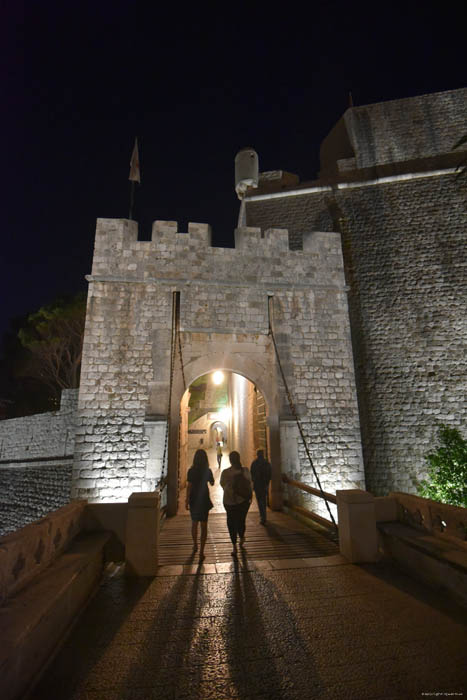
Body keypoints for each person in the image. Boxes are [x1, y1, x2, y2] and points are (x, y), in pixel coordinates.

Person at [220, 450, 252, 556]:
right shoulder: (246, 471)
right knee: (241, 520)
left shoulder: (225, 473)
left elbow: (222, 485)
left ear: (230, 460)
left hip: (229, 502)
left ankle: (234, 546)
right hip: (243, 502)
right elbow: (249, 482)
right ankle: (242, 537)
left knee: (231, 522)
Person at [185, 449, 214, 561]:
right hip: (204, 499)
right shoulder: (207, 470)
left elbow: (189, 486)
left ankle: (195, 545)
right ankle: (201, 552)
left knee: (194, 523)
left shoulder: (191, 471)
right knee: (204, 525)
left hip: (194, 499)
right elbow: (212, 483)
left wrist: (186, 500)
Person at [250, 449, 272, 525]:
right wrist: (267, 483)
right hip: (264, 485)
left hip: (257, 485)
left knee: (259, 501)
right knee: (264, 500)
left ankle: (262, 516)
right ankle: (264, 516)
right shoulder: (267, 463)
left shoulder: (254, 463)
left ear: (257, 454)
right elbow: (270, 474)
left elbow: (251, 474)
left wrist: (254, 481)